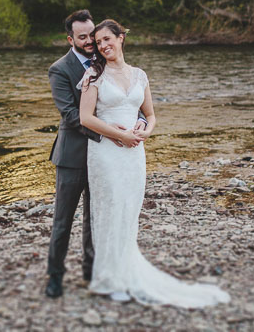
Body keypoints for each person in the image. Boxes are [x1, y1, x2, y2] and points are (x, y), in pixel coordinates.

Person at [78, 19, 230, 307]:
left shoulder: (139, 75)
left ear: (121, 38)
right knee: (110, 210)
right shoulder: (93, 75)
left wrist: (145, 131)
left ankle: (125, 270)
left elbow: (149, 113)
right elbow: (86, 118)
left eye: (108, 39)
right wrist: (119, 135)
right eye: (99, 43)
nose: (104, 46)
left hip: (135, 153)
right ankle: (108, 278)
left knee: (129, 211)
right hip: (106, 154)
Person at [45, 10, 147, 298]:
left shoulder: (105, 61)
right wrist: (111, 133)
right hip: (74, 156)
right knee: (63, 221)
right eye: (83, 37)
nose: (91, 41)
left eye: (93, 35)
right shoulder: (60, 69)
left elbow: (124, 95)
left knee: (96, 218)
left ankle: (93, 272)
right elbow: (70, 114)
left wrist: (138, 118)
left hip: (105, 158)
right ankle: (55, 276)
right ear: (70, 39)